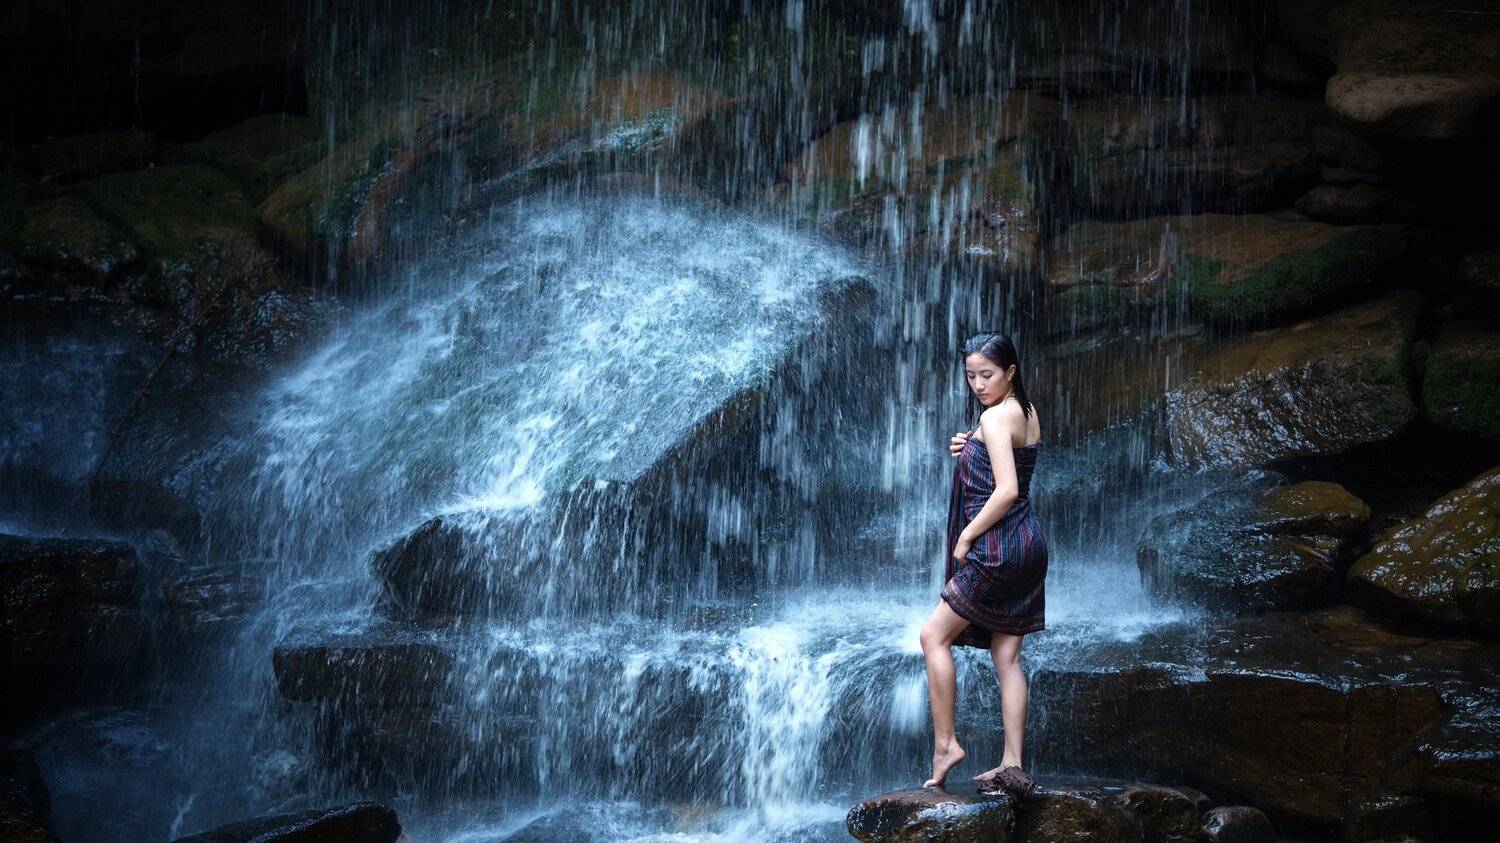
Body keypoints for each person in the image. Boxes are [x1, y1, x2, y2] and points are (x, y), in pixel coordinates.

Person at [919, 331, 1048, 800]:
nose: (977, 383)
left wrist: (968, 536)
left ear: (1011, 371)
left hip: (997, 548)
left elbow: (1007, 489)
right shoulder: (1024, 413)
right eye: (970, 375)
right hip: (1029, 545)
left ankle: (946, 744)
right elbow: (1004, 456)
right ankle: (1012, 764)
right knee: (1008, 657)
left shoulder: (996, 417)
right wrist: (970, 443)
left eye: (987, 375)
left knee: (933, 637)